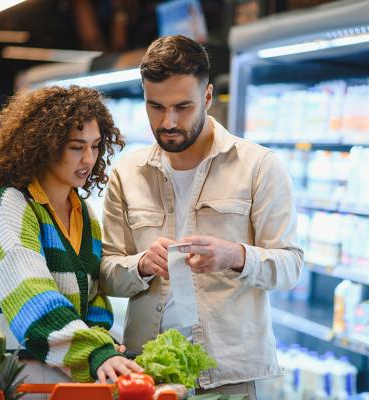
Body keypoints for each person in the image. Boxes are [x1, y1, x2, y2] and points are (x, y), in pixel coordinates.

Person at [100, 35, 303, 396]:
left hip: (230, 373)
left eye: (183, 106)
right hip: (145, 369)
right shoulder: (126, 173)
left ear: (207, 97)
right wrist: (143, 265)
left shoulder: (259, 167)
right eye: (156, 107)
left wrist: (236, 256)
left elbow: (290, 267)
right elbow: (106, 273)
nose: (169, 121)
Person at [0, 85, 142, 385]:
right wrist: (93, 352)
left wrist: (104, 345)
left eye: (96, 145)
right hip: (16, 378)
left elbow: (94, 297)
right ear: (44, 145)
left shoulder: (85, 213)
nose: (89, 159)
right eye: (77, 147)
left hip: (65, 376)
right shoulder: (9, 203)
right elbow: (28, 293)